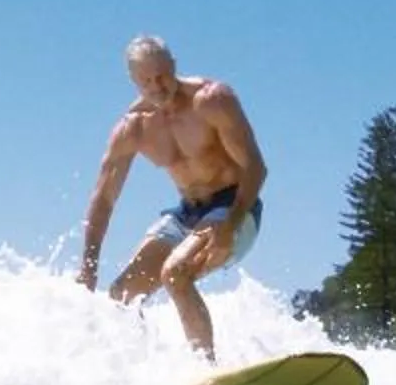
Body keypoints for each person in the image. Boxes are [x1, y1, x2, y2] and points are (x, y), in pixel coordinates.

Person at [75, 36, 270, 360]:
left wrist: (231, 223)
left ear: (174, 67)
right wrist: (89, 264)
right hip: (187, 214)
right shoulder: (133, 128)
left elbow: (256, 168)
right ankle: (137, 372)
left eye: (162, 75)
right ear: (133, 81)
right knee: (123, 294)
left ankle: (207, 372)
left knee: (174, 273)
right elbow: (104, 198)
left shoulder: (211, 101)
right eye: (145, 80)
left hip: (235, 206)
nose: (156, 86)